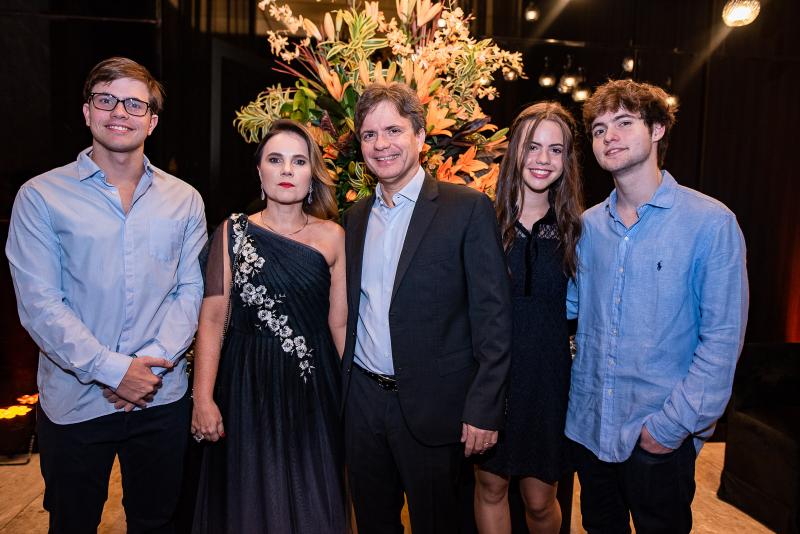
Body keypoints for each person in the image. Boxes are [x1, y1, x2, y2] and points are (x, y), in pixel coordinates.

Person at [5, 57, 207, 533]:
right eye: (106, 100)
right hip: (75, 402)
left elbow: (190, 291)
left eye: (134, 103)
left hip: (161, 397)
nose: (119, 111)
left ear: (151, 121)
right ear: (87, 112)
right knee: (72, 523)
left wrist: (146, 371)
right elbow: (40, 304)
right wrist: (114, 371)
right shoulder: (40, 196)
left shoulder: (185, 199)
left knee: (158, 522)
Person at [566, 79, 749, 533]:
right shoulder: (588, 226)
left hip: (658, 435)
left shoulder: (711, 223)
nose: (609, 136)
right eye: (599, 129)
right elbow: (567, 312)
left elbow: (722, 341)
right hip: (591, 431)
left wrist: (669, 428)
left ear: (658, 129)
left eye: (624, 123)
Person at [341, 82, 513, 534]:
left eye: (393, 130)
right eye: (369, 134)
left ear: (420, 136)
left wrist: (484, 407)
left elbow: (493, 318)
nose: (381, 144)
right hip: (363, 406)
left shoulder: (467, 209)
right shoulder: (355, 217)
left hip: (438, 409)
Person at [190, 119, 348, 533]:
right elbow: (212, 320)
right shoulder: (232, 232)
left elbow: (339, 323)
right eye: (275, 160)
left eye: (299, 161)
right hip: (247, 385)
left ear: (312, 175)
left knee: (315, 499)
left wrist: (353, 398)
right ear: (260, 171)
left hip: (314, 389)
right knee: (250, 500)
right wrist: (202, 398)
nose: (287, 170)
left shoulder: (333, 236)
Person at [474, 102, 583, 533]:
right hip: (493, 378)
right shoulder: (482, 219)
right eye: (532, 146)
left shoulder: (577, 229)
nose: (543, 159)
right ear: (515, 150)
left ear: (567, 159)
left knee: (540, 501)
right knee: (491, 487)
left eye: (555, 150)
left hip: (548, 378)